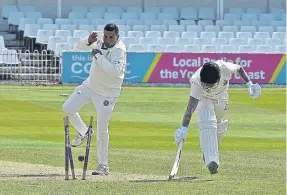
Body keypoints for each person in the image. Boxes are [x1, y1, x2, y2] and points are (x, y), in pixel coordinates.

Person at [174, 60, 261, 174]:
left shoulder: (224, 68)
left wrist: (250, 84)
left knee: (218, 127)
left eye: (210, 85)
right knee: (208, 122)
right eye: (206, 84)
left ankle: (208, 152)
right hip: (204, 99)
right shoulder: (197, 82)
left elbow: (239, 69)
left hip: (222, 98)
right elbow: (190, 107)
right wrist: (183, 129)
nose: (207, 87)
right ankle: (211, 161)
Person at [62, 23, 127, 176]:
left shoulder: (120, 50)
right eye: (106, 36)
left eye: (111, 37)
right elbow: (78, 47)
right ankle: (84, 132)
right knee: (68, 108)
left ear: (117, 37)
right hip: (90, 86)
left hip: (108, 94)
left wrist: (97, 55)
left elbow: (115, 72)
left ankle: (103, 166)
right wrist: (88, 42)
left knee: (102, 128)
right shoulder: (99, 39)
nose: (107, 39)